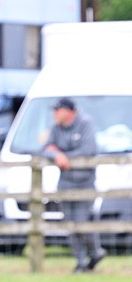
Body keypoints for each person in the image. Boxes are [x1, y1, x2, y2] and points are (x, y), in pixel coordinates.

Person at [44, 97, 106, 272]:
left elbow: (88, 150)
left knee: (82, 222)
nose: (55, 114)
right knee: (70, 224)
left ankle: (95, 252)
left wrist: (64, 156)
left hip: (84, 182)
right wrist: (56, 155)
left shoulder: (85, 123)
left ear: (69, 111)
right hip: (65, 183)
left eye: (58, 110)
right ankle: (80, 261)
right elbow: (46, 148)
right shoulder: (56, 128)